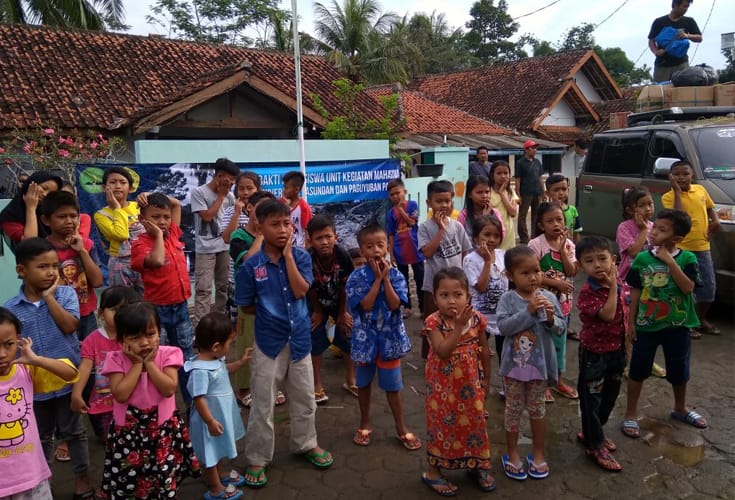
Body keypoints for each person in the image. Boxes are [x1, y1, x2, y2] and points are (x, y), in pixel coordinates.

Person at [234, 199, 333, 489]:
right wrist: (270, 318)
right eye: (274, 224)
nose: (282, 229)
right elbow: (248, 306)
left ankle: (306, 444)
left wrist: (289, 257)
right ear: (259, 227)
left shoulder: (302, 257)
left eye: (286, 223)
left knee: (304, 397)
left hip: (300, 339)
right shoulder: (251, 266)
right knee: (263, 403)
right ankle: (258, 457)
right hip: (268, 342)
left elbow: (302, 291)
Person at [4, 237, 94, 498]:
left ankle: (82, 478)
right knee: (40, 436)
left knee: (75, 432)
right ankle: (41, 481)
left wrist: (49, 298)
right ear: (21, 271)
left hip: (67, 379)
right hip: (33, 386)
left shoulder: (66, 294)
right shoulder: (10, 309)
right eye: (42, 267)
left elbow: (69, 326)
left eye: (54, 266)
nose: (51, 272)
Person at [101, 301, 200, 498]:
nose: (145, 342)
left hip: (162, 433)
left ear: (159, 332)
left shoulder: (169, 354)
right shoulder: (115, 359)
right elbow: (120, 395)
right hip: (128, 436)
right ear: (121, 340)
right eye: (135, 337)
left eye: (150, 334)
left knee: (163, 479)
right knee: (129, 483)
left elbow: (169, 389)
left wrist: (150, 364)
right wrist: (137, 364)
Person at [621, 209, 706, 439]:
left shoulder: (687, 259)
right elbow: (635, 291)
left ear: (677, 239)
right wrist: (630, 323)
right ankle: (631, 413)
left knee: (679, 370)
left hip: (677, 327)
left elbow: (688, 288)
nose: (654, 232)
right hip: (646, 326)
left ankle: (680, 408)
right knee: (638, 370)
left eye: (662, 229)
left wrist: (669, 261)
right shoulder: (642, 259)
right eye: (655, 227)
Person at [345, 224, 420, 451]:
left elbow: (395, 303)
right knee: (364, 383)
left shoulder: (396, 275)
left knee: (393, 386)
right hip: (364, 340)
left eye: (380, 245)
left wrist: (385, 279)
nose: (376, 250)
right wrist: (376, 281)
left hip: (390, 341)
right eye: (369, 246)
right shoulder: (356, 277)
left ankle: (401, 426)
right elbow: (365, 306)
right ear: (361, 250)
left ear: (387, 247)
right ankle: (365, 423)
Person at [421, 267, 494, 495]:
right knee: (442, 424)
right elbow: (443, 351)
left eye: (457, 295)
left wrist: (487, 381)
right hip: (443, 387)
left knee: (475, 422)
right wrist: (459, 327)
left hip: (471, 384)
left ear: (468, 296)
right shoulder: (433, 322)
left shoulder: (477, 319)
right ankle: (433, 472)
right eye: (444, 295)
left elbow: (484, 350)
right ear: (435, 298)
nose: (451, 301)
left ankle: (476, 465)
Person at [497, 246, 564, 481]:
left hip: (539, 369)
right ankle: (512, 454)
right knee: (512, 411)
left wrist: (551, 317)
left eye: (536, 270)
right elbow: (503, 328)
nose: (533, 277)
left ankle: (537, 453)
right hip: (514, 369)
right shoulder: (507, 299)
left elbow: (560, 329)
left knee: (537, 411)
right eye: (525, 273)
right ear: (510, 276)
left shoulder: (550, 297)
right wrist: (528, 311)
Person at [0, 307, 79, 500]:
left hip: (30, 476)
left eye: (8, 344)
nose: (2, 354)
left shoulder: (25, 370)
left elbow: (70, 373)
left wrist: (37, 360)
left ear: (18, 340)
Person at [131, 192, 194, 403]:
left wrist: (149, 195)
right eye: (156, 217)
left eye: (165, 217)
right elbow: (157, 261)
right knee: (159, 360)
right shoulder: (140, 244)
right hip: (157, 312)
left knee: (185, 357)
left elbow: (175, 205)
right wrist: (158, 236)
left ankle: (192, 404)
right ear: (142, 219)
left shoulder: (173, 233)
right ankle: (165, 409)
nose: (163, 222)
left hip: (181, 307)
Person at [574, 236, 629, 472]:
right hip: (594, 354)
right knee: (591, 399)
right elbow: (607, 314)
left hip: (616, 351)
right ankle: (594, 444)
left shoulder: (623, 284)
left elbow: (625, 315)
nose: (597, 265)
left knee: (610, 396)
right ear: (581, 266)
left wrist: (628, 345)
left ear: (613, 260)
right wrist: (614, 286)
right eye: (589, 261)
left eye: (602, 259)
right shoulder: (588, 291)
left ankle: (593, 431)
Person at [186, 312, 253, 500]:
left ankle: (221, 473)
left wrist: (240, 362)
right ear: (216, 346)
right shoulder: (199, 370)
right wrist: (209, 421)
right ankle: (215, 487)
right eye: (229, 343)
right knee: (210, 452)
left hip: (218, 416)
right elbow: (198, 398)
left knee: (218, 447)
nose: (230, 346)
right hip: (209, 419)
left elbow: (224, 370)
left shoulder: (215, 359)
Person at [229, 191, 282, 407]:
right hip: (249, 300)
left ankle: (272, 386)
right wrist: (261, 234)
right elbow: (249, 261)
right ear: (249, 209)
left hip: (271, 299)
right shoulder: (239, 237)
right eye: (261, 209)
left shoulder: (276, 236)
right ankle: (243, 389)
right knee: (246, 343)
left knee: (273, 344)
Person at [71, 286, 140, 443]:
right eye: (116, 310)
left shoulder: (136, 337)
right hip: (106, 402)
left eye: (127, 310)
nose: (121, 316)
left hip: (135, 399)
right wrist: (76, 394)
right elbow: (85, 367)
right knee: (114, 441)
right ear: (101, 313)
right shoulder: (93, 340)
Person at [663, 160, 720, 338]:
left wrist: (715, 220)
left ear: (692, 175)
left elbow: (710, 207)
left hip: (702, 246)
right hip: (682, 249)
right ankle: (687, 323)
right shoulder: (669, 196)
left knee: (709, 289)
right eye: (676, 174)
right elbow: (678, 217)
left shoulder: (701, 190)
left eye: (685, 173)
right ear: (670, 177)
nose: (681, 177)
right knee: (684, 290)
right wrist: (678, 193)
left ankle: (700, 318)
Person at [528, 202, 579, 401]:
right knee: (542, 344)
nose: (556, 224)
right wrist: (556, 284)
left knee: (560, 345)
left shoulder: (569, 244)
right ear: (541, 225)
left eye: (559, 220)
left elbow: (571, 271)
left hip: (563, 305)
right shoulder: (536, 245)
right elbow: (533, 274)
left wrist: (563, 250)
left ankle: (558, 380)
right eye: (550, 221)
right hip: (542, 304)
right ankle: (543, 382)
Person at [617, 188, 667, 378]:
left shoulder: (655, 226)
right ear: (631, 210)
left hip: (651, 284)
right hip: (628, 284)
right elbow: (633, 252)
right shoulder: (625, 228)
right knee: (629, 323)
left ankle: (647, 359)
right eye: (642, 205)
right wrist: (645, 230)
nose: (648, 208)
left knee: (646, 322)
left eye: (650, 204)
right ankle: (630, 361)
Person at [41, 191, 103, 340]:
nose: (69, 221)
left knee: (89, 357)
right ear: (46, 220)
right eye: (62, 217)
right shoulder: (42, 249)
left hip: (86, 314)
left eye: (73, 216)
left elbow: (97, 281)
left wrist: (81, 251)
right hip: (57, 314)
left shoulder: (86, 245)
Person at [307, 214, 356, 403]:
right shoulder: (308, 258)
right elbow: (310, 287)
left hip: (340, 302)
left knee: (347, 333)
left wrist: (343, 312)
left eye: (328, 236)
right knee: (315, 335)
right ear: (310, 240)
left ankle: (350, 379)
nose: (325, 242)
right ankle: (317, 384)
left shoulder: (343, 256)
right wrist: (318, 311)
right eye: (319, 238)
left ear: (335, 236)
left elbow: (346, 286)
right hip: (316, 302)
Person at [418, 180, 473, 327]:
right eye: (438, 201)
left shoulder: (457, 226)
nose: (443, 205)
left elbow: (465, 253)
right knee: (432, 325)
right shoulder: (424, 228)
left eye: (447, 201)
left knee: (456, 323)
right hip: (432, 285)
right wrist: (441, 230)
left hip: (456, 284)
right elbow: (427, 253)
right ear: (429, 203)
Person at [191, 158, 238, 325]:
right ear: (218, 176)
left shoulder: (230, 196)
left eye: (233, 181)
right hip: (205, 248)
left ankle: (219, 323)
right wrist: (220, 196)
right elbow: (207, 216)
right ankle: (200, 328)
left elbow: (237, 213)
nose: (230, 184)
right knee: (204, 290)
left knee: (223, 287)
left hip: (224, 247)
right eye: (227, 180)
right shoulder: (199, 192)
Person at [463, 215, 508, 366]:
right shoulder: (470, 259)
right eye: (487, 235)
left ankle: (506, 385)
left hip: (502, 314)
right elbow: (481, 287)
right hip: (481, 315)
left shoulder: (503, 255)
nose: (492, 239)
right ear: (476, 238)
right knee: (480, 351)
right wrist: (488, 262)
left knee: (505, 352)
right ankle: (479, 382)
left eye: (496, 235)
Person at [93, 166, 145, 294]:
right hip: (120, 265)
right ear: (104, 188)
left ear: (131, 188)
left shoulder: (139, 207)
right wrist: (117, 208)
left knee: (148, 299)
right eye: (112, 182)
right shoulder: (101, 215)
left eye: (123, 182)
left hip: (144, 260)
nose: (117, 186)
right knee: (124, 301)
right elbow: (121, 235)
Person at [386, 178, 425, 317]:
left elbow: (411, 222)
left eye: (398, 192)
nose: (395, 196)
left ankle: (423, 307)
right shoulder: (390, 213)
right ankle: (406, 306)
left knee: (420, 279)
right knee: (402, 280)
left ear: (405, 192)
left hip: (415, 248)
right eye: (392, 194)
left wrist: (401, 210)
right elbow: (390, 234)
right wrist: (391, 254)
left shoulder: (413, 205)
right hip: (399, 249)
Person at [0, 171, 62, 247]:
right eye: (44, 188)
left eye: (51, 194)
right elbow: (31, 243)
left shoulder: (51, 212)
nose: (45, 194)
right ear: (30, 184)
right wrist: (31, 208)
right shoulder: (10, 216)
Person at [648, 0, 702, 83]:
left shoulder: (689, 21)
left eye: (687, 7)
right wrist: (656, 51)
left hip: (681, 64)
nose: (686, 9)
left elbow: (699, 38)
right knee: (659, 91)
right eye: (684, 6)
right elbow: (651, 40)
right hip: (662, 64)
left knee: (683, 91)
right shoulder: (659, 22)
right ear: (675, 5)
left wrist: (688, 36)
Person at [457, 175, 504, 242]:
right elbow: (461, 239)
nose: (484, 196)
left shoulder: (495, 213)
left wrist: (487, 218)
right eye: (479, 192)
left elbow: (502, 234)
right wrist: (483, 219)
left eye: (487, 192)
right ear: (470, 194)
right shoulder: (463, 216)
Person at [515, 140, 545, 244]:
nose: (535, 150)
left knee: (536, 215)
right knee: (522, 215)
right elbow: (518, 179)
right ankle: (524, 237)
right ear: (526, 149)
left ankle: (535, 235)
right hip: (526, 192)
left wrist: (543, 191)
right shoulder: (520, 163)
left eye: (535, 148)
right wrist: (518, 193)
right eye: (532, 148)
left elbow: (540, 177)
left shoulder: (537, 162)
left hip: (537, 191)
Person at [489, 160, 519, 250]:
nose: (503, 176)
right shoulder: (487, 192)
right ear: (492, 175)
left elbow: (513, 213)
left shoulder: (510, 192)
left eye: (506, 173)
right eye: (499, 173)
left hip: (508, 232)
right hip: (492, 232)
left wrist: (502, 193)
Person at [545, 174, 582, 243]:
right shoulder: (545, 212)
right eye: (556, 190)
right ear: (548, 193)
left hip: (569, 248)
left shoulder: (573, 210)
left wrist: (577, 249)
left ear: (568, 190)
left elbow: (576, 233)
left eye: (564, 189)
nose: (561, 193)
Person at [280, 171, 312, 248]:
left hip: (299, 248)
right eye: (284, 187)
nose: (284, 190)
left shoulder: (304, 207)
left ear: (296, 190)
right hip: (282, 247)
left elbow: (307, 231)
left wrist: (307, 251)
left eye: (286, 187)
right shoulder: (280, 203)